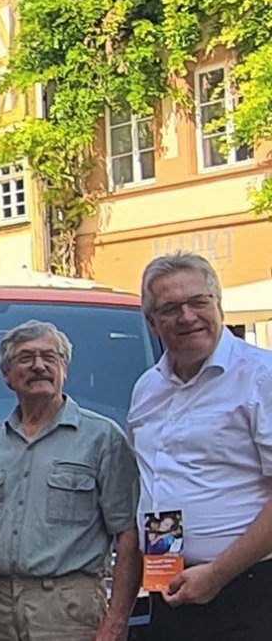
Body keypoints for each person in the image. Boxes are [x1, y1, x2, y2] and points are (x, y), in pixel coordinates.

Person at [128, 253, 272, 639]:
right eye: (170, 308)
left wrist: (218, 573)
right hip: (168, 583)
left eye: (198, 302)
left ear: (218, 304)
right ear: (151, 322)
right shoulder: (147, 388)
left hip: (248, 590)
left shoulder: (261, 378)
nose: (187, 317)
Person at [0, 320, 140, 641]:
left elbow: (128, 534)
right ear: (6, 376)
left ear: (64, 368)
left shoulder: (103, 438)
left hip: (70, 611)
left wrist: (117, 619)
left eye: (50, 357)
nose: (39, 366)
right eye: (25, 358)